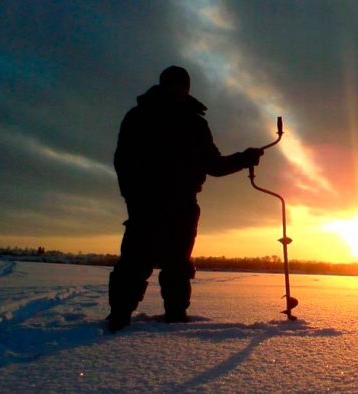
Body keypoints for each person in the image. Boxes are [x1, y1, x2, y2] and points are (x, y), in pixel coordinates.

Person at [107, 66, 263, 332]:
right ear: (163, 85)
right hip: (146, 206)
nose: (179, 90)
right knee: (134, 263)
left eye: (183, 86)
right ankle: (118, 317)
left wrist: (244, 158)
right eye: (173, 84)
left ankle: (176, 320)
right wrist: (133, 198)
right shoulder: (139, 117)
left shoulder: (195, 123)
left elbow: (213, 165)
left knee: (178, 266)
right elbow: (124, 162)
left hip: (182, 206)